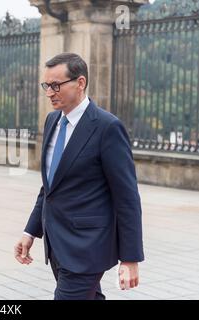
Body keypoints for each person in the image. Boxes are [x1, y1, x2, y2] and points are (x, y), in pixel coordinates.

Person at [14, 53, 144, 300]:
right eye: (46, 86)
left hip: (87, 248)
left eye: (56, 85)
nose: (50, 92)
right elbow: (50, 187)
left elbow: (127, 198)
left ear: (80, 83)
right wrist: (30, 232)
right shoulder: (52, 121)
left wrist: (130, 258)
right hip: (56, 245)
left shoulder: (107, 127)